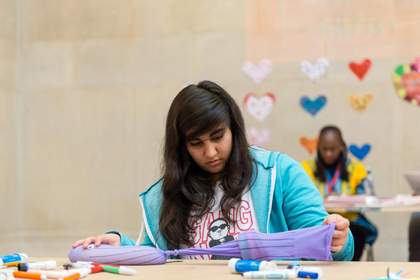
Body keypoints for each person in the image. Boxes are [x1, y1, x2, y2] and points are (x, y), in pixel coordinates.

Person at [73, 81, 354, 261]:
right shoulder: (164, 195)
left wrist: (338, 239)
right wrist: (119, 246)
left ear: (234, 128)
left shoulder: (279, 173)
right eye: (196, 143)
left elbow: (327, 245)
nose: (210, 152)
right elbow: (155, 257)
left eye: (218, 137)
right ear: (181, 147)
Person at [301, 125, 377, 261]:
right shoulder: (306, 168)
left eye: (333, 149)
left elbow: (368, 197)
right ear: (318, 148)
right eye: (324, 149)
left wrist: (346, 199)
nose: (328, 154)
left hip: (350, 221)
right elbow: (301, 199)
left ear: (342, 146)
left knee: (355, 233)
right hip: (318, 222)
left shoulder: (356, 168)